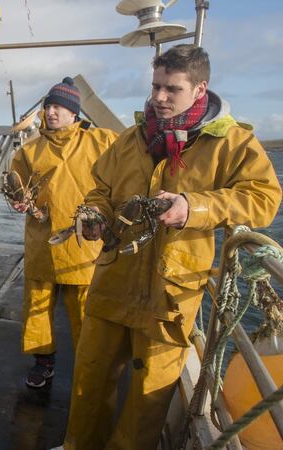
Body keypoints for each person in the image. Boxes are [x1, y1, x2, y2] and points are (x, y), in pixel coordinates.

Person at [63, 44, 282, 449]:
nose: (159, 98)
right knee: (87, 383)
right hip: (114, 281)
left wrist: (193, 207)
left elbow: (264, 198)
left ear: (200, 89)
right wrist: (94, 216)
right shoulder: (132, 139)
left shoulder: (231, 143)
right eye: (156, 86)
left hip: (171, 295)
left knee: (147, 401)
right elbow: (101, 191)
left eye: (172, 89)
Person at [9, 78, 118, 388]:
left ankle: (90, 362)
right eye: (48, 106)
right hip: (41, 239)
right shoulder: (30, 150)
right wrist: (19, 201)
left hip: (82, 242)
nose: (51, 112)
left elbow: (129, 162)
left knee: (85, 308)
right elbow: (16, 185)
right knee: (37, 307)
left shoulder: (101, 140)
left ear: (74, 112)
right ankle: (43, 362)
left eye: (58, 106)